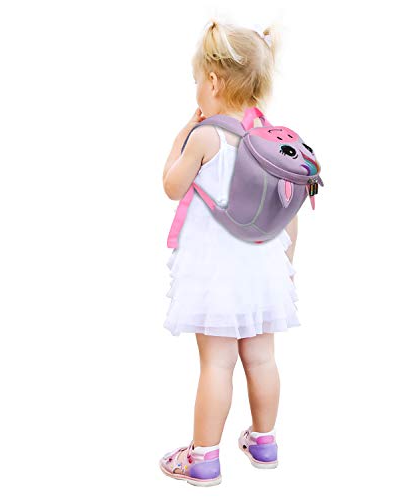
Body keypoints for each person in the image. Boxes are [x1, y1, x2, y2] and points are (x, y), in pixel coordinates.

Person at [159, 19, 300, 487]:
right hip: (263, 270)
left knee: (216, 364)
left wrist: (183, 133)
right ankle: (264, 442)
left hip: (217, 275)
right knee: (262, 360)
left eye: (197, 80)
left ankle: (203, 458)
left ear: (214, 82)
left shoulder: (206, 137)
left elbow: (171, 185)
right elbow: (289, 212)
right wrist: (287, 265)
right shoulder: (273, 142)